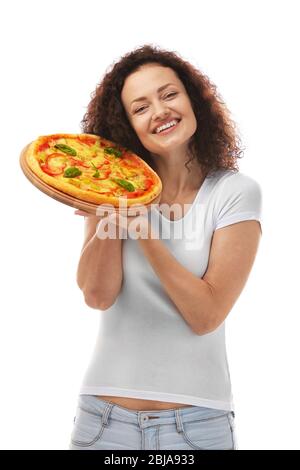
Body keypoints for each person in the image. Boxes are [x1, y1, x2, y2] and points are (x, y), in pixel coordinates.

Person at [69, 44, 263, 450]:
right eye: (140, 108)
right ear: (128, 126)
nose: (159, 111)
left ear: (194, 101)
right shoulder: (111, 186)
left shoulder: (234, 193)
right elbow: (98, 296)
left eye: (169, 94)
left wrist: (144, 231)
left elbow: (206, 315)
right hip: (103, 421)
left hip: (198, 425)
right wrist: (108, 212)